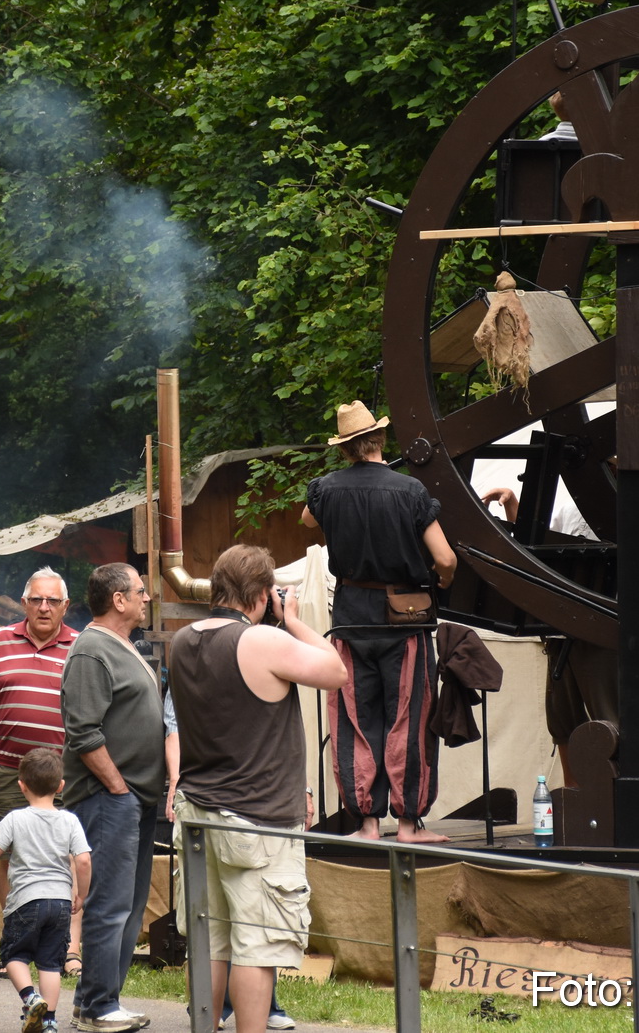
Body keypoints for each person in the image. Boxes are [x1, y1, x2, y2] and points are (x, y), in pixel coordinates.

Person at [169, 545, 346, 1032]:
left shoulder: (182, 641)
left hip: (199, 811)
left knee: (212, 938)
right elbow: (335, 671)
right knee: (258, 943)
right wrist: (291, 619)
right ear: (263, 593)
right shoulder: (262, 642)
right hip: (258, 818)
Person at [303, 400, 457, 843]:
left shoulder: (326, 489)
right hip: (404, 621)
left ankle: (367, 824)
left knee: (354, 719)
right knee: (408, 718)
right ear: (380, 440)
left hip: (350, 622)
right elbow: (445, 557)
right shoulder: (408, 491)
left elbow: (307, 519)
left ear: (345, 448)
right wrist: (440, 581)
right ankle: (409, 826)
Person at [61, 562, 162, 1033]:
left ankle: (98, 1003)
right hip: (109, 799)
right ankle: (98, 1007)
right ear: (118, 599)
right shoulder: (91, 650)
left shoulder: (121, 645)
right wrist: (118, 787)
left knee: (130, 905)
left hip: (134, 799)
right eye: (140, 591)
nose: (147, 597)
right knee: (111, 905)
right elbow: (82, 732)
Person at [0, 568, 78, 909]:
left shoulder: (80, 647)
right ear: (23, 603)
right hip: (7, 774)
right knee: (9, 858)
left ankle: (66, 945)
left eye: (52, 601)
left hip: (63, 776)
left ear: (65, 606)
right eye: (36, 600)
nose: (44, 607)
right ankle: (11, 940)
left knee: (66, 856)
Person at [0, 748, 91, 1033]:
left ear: (21, 785)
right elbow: (84, 860)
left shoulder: (15, 818)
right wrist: (81, 894)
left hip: (26, 901)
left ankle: (30, 997)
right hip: (61, 902)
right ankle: (48, 1021)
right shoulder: (70, 820)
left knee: (14, 956)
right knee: (50, 963)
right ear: (61, 787)